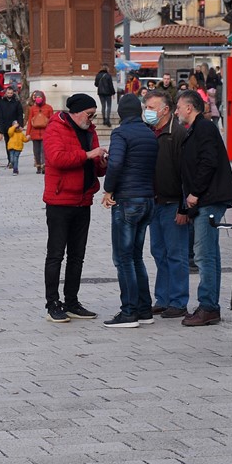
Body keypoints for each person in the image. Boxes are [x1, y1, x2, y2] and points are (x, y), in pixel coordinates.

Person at [41, 93, 108, 324]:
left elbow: (97, 169)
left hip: (83, 200)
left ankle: (72, 302)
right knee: (56, 255)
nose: (92, 119)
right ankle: (52, 303)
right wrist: (89, 154)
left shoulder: (90, 131)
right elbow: (56, 158)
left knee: (77, 256)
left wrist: (101, 162)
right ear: (76, 112)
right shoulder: (56, 127)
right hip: (60, 201)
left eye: (94, 115)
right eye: (90, 114)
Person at [177, 89, 232, 327]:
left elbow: (208, 161)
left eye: (179, 107)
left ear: (190, 108)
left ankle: (209, 306)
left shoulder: (204, 128)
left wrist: (195, 193)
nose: (177, 111)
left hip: (210, 198)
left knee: (204, 254)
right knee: (209, 254)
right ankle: (209, 304)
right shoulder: (194, 129)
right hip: (206, 199)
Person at [100, 94, 159, 327]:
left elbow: (115, 164)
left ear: (121, 113)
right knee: (136, 256)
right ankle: (145, 310)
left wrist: (108, 190)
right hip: (147, 199)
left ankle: (129, 312)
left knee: (123, 258)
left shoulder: (120, 133)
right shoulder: (149, 133)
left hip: (127, 200)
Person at [143, 89, 189, 319]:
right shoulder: (150, 132)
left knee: (176, 254)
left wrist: (184, 207)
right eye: (146, 107)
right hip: (155, 202)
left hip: (173, 203)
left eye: (151, 108)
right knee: (158, 252)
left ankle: (179, 301)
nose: (147, 112)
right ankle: (163, 298)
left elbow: (186, 174)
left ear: (165, 110)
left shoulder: (178, 133)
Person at [26, 91, 54, 174]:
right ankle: (38, 165)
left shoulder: (49, 108)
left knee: (44, 150)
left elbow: (52, 121)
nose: (38, 99)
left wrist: (52, 132)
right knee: (36, 151)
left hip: (45, 133)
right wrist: (28, 133)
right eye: (37, 97)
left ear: (43, 98)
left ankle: (44, 166)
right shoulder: (32, 109)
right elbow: (30, 121)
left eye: (40, 97)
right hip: (35, 133)